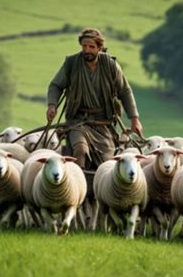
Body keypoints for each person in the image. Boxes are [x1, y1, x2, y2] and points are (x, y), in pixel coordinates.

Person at [46, 28, 143, 170]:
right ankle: (77, 187)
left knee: (107, 163)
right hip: (78, 122)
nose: (87, 50)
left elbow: (124, 91)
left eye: (91, 47)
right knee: (80, 150)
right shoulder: (72, 63)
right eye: (84, 46)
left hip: (103, 124)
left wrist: (134, 119)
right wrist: (52, 105)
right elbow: (55, 85)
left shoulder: (110, 65)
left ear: (99, 48)